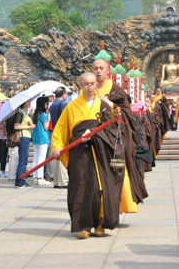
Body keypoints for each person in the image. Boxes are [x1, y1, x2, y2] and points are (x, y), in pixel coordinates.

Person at [51, 72, 125, 239]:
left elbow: (114, 130)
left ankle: (100, 223)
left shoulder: (104, 105)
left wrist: (96, 135)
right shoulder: (71, 106)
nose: (90, 86)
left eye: (92, 83)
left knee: (100, 188)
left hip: (100, 152)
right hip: (79, 153)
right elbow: (61, 129)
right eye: (86, 84)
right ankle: (83, 226)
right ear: (80, 85)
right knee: (81, 188)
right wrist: (57, 147)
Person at [92, 58, 148, 214]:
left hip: (114, 136)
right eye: (95, 68)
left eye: (101, 68)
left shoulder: (115, 90)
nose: (98, 71)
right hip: (93, 137)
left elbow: (127, 115)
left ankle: (121, 205)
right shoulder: (89, 90)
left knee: (117, 170)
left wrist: (111, 105)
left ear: (108, 70)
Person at [49, 87, 69, 188]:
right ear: (64, 94)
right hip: (62, 131)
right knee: (62, 155)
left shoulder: (52, 105)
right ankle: (63, 181)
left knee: (54, 156)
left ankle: (56, 181)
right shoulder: (63, 104)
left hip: (54, 131)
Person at [14, 100, 35, 189]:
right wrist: (28, 127)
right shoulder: (19, 113)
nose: (30, 103)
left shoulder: (24, 112)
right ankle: (20, 181)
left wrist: (30, 118)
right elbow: (16, 126)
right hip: (23, 137)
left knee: (24, 159)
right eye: (28, 102)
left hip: (26, 136)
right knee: (23, 160)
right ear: (24, 103)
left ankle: (20, 180)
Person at [31, 97, 51, 186]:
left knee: (36, 157)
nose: (47, 105)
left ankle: (35, 176)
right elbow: (46, 127)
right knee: (41, 158)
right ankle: (40, 177)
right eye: (46, 104)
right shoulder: (43, 114)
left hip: (35, 137)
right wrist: (49, 119)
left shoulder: (35, 114)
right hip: (43, 137)